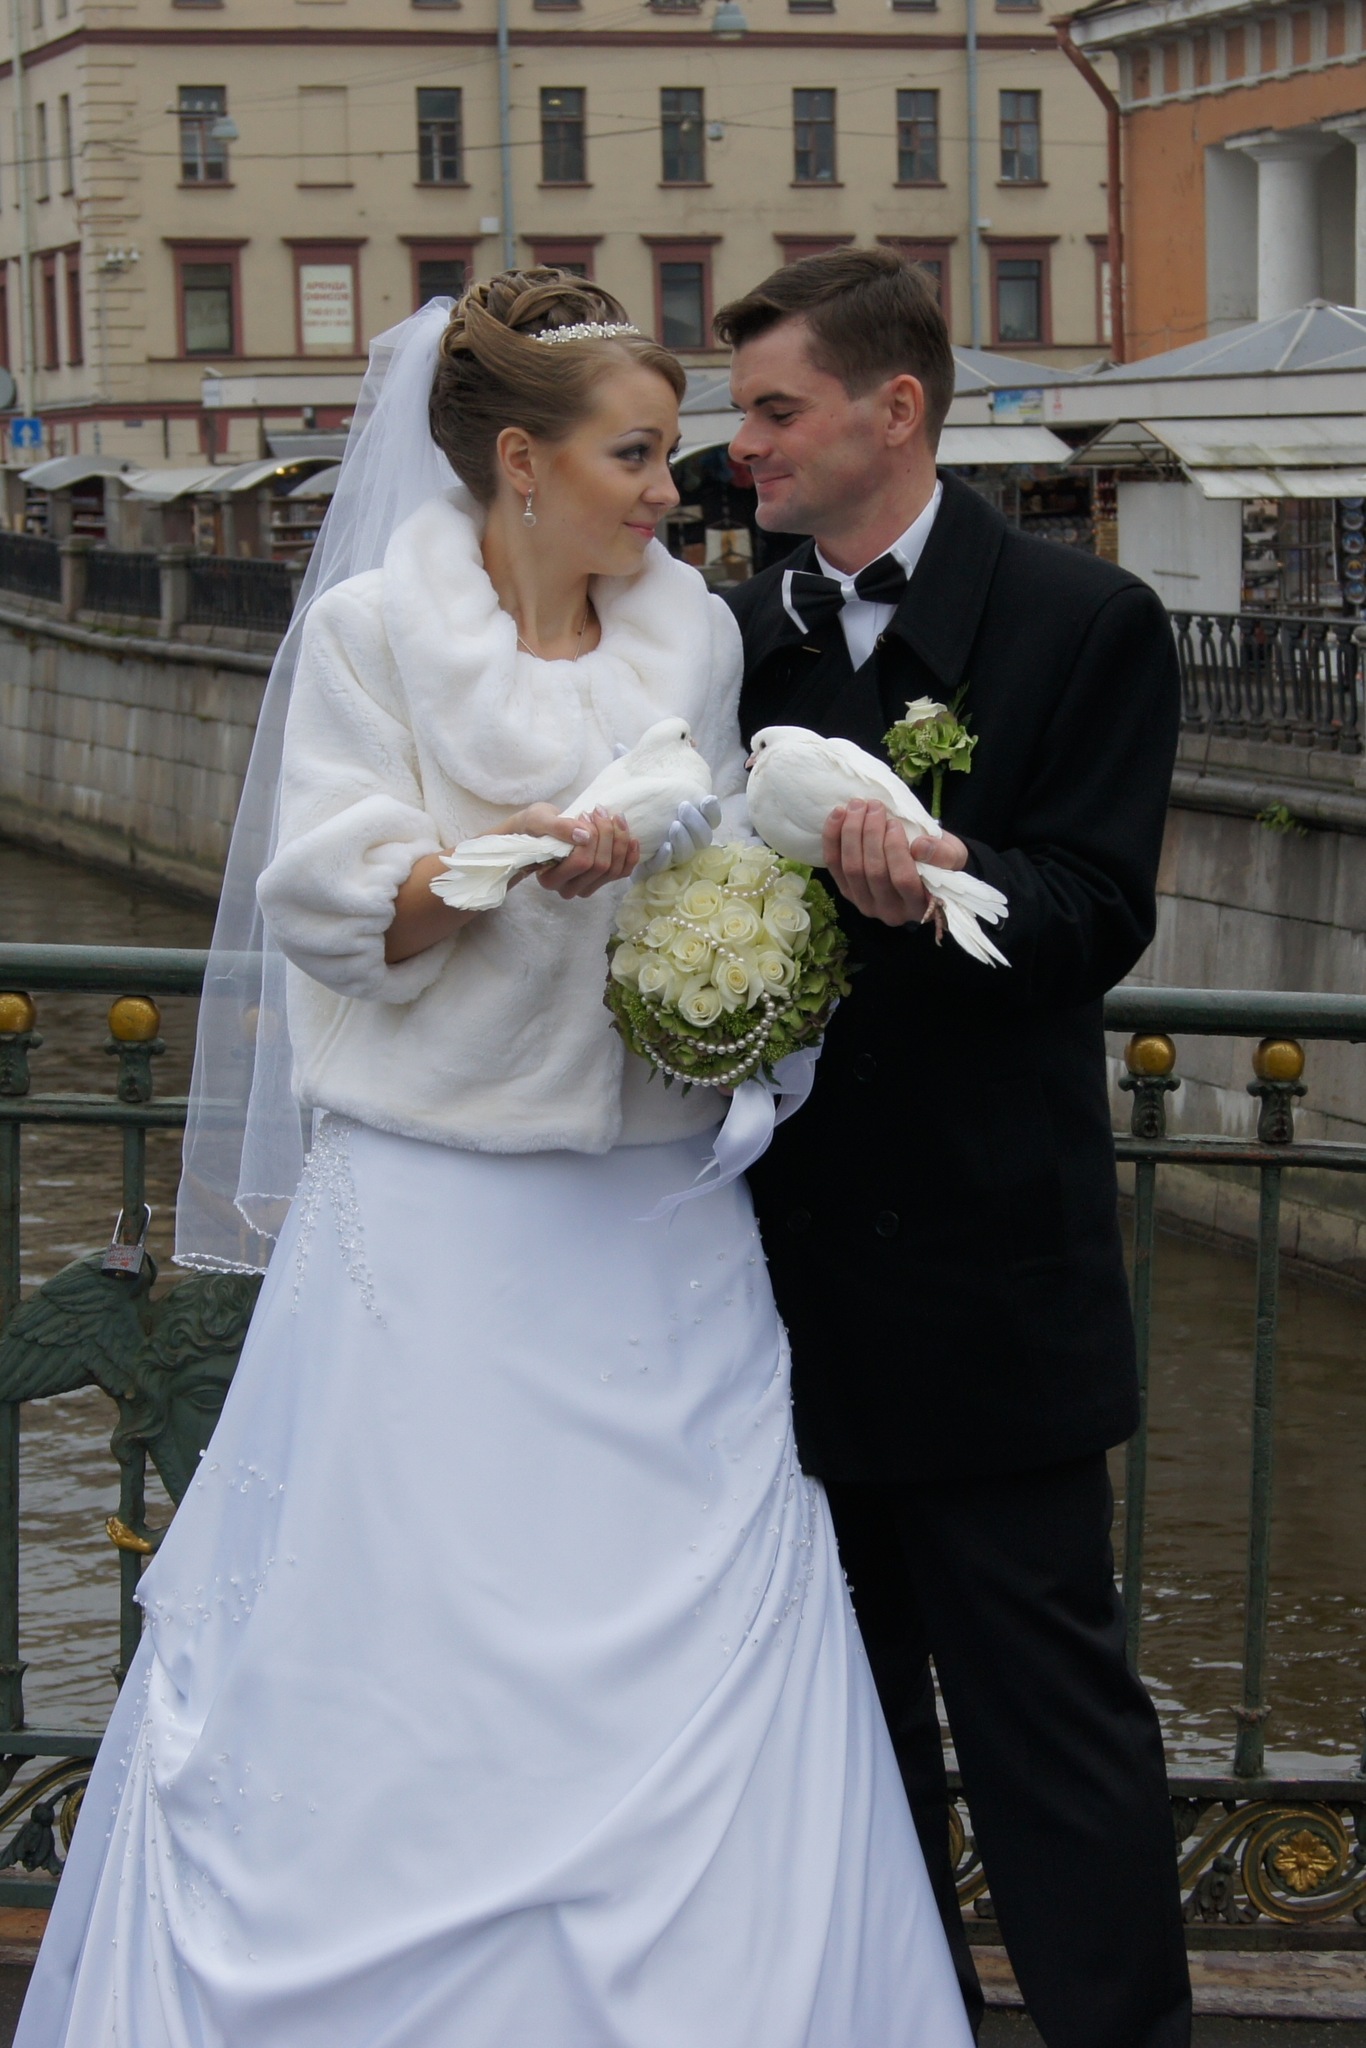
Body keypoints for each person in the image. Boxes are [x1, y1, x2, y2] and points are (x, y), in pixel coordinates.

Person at [15, 272, 974, 2048]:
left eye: (672, 454)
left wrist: (737, 929)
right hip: (436, 1209)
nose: (669, 489)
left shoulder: (691, 638)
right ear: (521, 462)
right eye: (634, 455)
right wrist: (497, 865)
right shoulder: (375, 632)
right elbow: (324, 897)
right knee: (405, 1612)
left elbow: (712, 850)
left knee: (695, 1607)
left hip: (649, 1215)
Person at [717, 247, 1192, 2048]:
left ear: (893, 408)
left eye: (775, 409)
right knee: (840, 1738)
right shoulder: (729, 635)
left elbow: (1095, 916)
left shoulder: (1083, 620)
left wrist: (940, 885)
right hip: (769, 1291)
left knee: (1050, 1730)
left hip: (992, 1288)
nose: (743, 446)